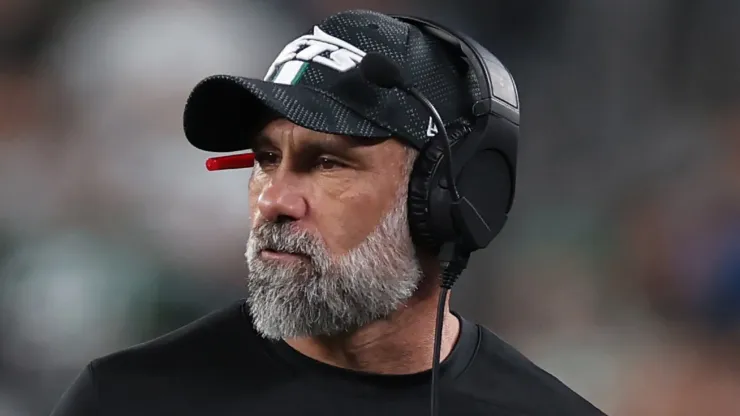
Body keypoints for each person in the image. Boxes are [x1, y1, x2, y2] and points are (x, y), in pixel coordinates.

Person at [51, 9, 606, 416]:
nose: (273, 200)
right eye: (267, 159)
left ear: (444, 197)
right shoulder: (124, 401)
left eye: (326, 163)